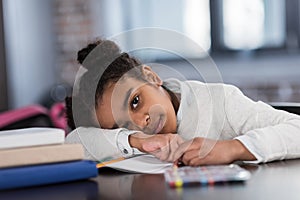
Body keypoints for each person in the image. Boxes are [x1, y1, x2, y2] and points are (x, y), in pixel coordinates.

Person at [65, 38, 300, 166]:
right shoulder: (133, 142)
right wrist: (136, 141)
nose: (140, 122)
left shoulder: (220, 102)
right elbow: (73, 143)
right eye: (122, 126)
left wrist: (233, 148)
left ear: (151, 77)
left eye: (135, 101)